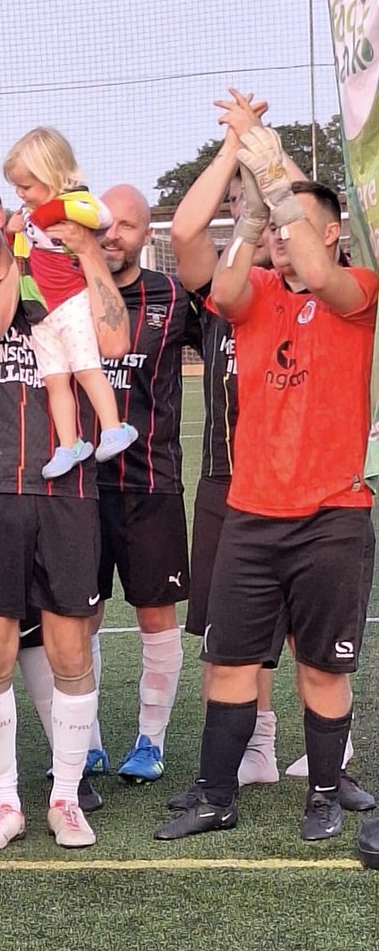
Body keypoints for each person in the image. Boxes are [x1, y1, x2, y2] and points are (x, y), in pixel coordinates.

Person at [154, 129, 377, 843]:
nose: (285, 237)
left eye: (295, 224)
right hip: (251, 514)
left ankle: (321, 790)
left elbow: (322, 269)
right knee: (229, 663)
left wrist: (278, 181)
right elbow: (221, 285)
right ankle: (216, 795)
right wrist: (251, 215)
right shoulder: (258, 294)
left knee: (321, 667)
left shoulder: (359, 292)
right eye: (276, 225)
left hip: (332, 517)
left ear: (333, 232)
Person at [0, 173, 129, 851]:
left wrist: (84, 254)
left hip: (67, 491)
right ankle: (5, 800)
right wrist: (19, 252)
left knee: (71, 648)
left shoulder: (59, 267)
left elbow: (115, 341)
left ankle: (65, 798)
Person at [90, 184, 200, 786]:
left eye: (126, 226)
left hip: (151, 482)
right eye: (104, 224)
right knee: (78, 618)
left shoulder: (173, 297)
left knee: (156, 616)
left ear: (145, 233)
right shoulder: (68, 293)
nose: (113, 236)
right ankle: (88, 744)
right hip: (78, 486)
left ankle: (149, 742)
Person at [2, 127, 138, 479]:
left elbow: (102, 216)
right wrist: (13, 228)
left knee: (87, 369)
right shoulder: (29, 210)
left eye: (26, 186)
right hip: (39, 309)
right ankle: (69, 444)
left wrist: (43, 213)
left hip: (70, 300)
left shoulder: (74, 203)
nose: (19, 193)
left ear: (52, 177)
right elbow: (20, 248)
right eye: (16, 186)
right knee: (55, 380)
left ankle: (113, 428)